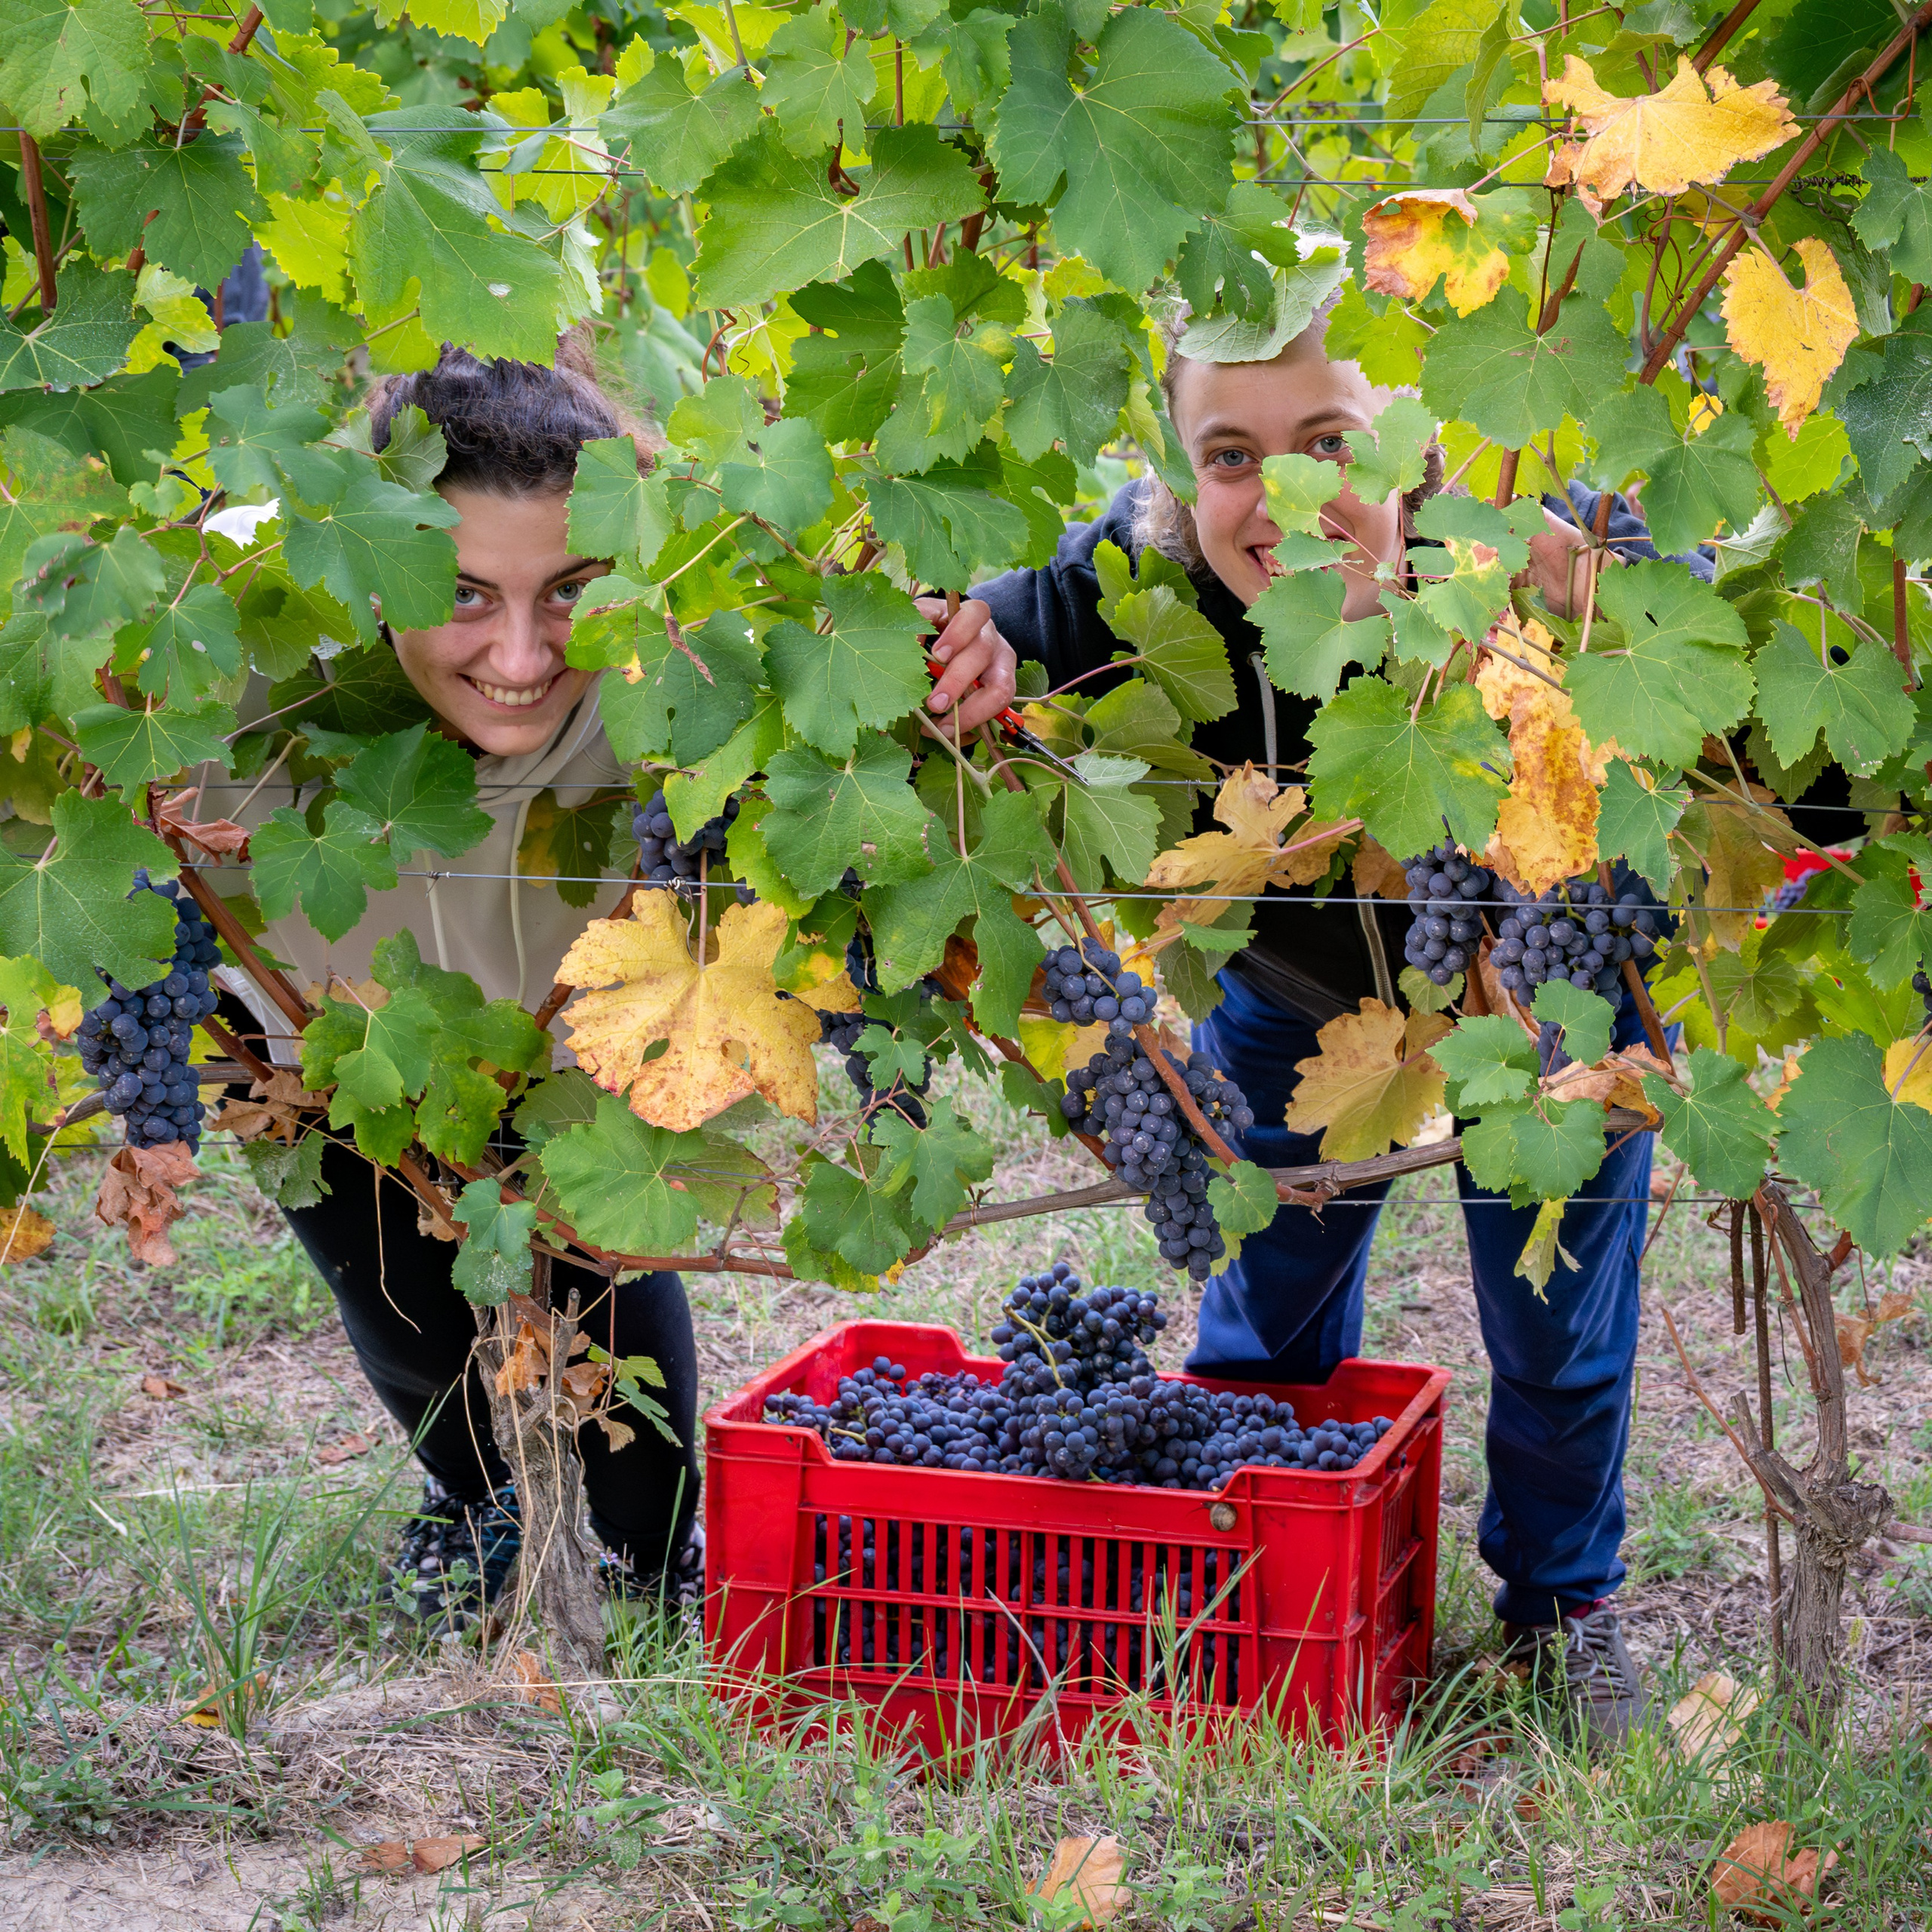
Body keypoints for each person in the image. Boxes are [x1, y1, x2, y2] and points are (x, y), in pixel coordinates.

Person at [930, 297, 1672, 1745]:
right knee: (1260, 1315)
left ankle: (1561, 1611)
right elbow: (1012, 615)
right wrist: (968, 650)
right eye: (1229, 454)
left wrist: (1612, 589)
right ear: (1174, 471)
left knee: (1560, 1341)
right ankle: (1248, 1563)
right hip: (1299, 999)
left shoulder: (1527, 538)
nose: (1280, 494)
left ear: (1423, 443)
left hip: (1545, 1007)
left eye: (1331, 442)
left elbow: (1705, 619)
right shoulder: (1142, 579)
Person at [195, 336, 1022, 1623]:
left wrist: (964, 671)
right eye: (462, 594)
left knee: (608, 1300)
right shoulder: (238, 646)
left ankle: (645, 1545)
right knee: (412, 1322)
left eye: (571, 589)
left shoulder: (699, 659)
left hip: (580, 1030)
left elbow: (884, 658)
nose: (522, 659)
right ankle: (473, 1499)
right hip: (321, 1037)